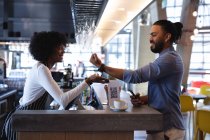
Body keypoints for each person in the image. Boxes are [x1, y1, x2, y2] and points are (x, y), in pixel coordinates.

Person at [2, 31, 109, 140]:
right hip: (21, 123)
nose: (63, 51)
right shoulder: (42, 69)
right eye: (59, 47)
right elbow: (63, 100)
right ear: (48, 49)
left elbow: (62, 99)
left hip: (25, 120)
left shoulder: (42, 67)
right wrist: (88, 81)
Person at [90, 20, 185, 140]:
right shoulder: (165, 58)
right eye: (150, 35)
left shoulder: (169, 59)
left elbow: (135, 76)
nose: (150, 39)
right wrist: (143, 99)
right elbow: (166, 93)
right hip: (161, 127)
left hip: (169, 129)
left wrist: (102, 67)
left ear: (167, 37)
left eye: (154, 35)